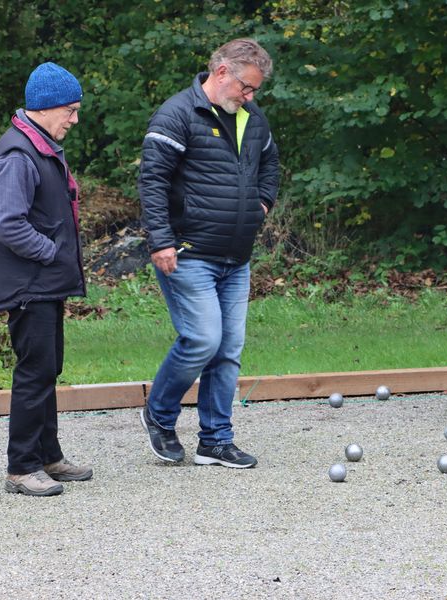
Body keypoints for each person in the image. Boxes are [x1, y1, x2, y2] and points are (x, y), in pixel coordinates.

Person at [138, 38, 279, 467]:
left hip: (236, 255)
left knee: (228, 349)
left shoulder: (252, 119)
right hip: (187, 251)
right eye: (246, 87)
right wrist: (160, 240)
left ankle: (215, 439)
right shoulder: (177, 114)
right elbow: (153, 182)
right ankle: (159, 414)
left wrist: (262, 204)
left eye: (254, 90)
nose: (250, 97)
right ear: (222, 73)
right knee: (202, 339)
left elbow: (270, 164)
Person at [0, 62, 93, 496]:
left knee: (48, 368)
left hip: (43, 283)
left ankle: (48, 456)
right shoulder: (18, 154)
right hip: (30, 284)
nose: (75, 118)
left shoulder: (40, 145)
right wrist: (51, 253)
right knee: (34, 373)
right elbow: (7, 224)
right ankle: (22, 467)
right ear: (46, 108)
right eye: (70, 110)